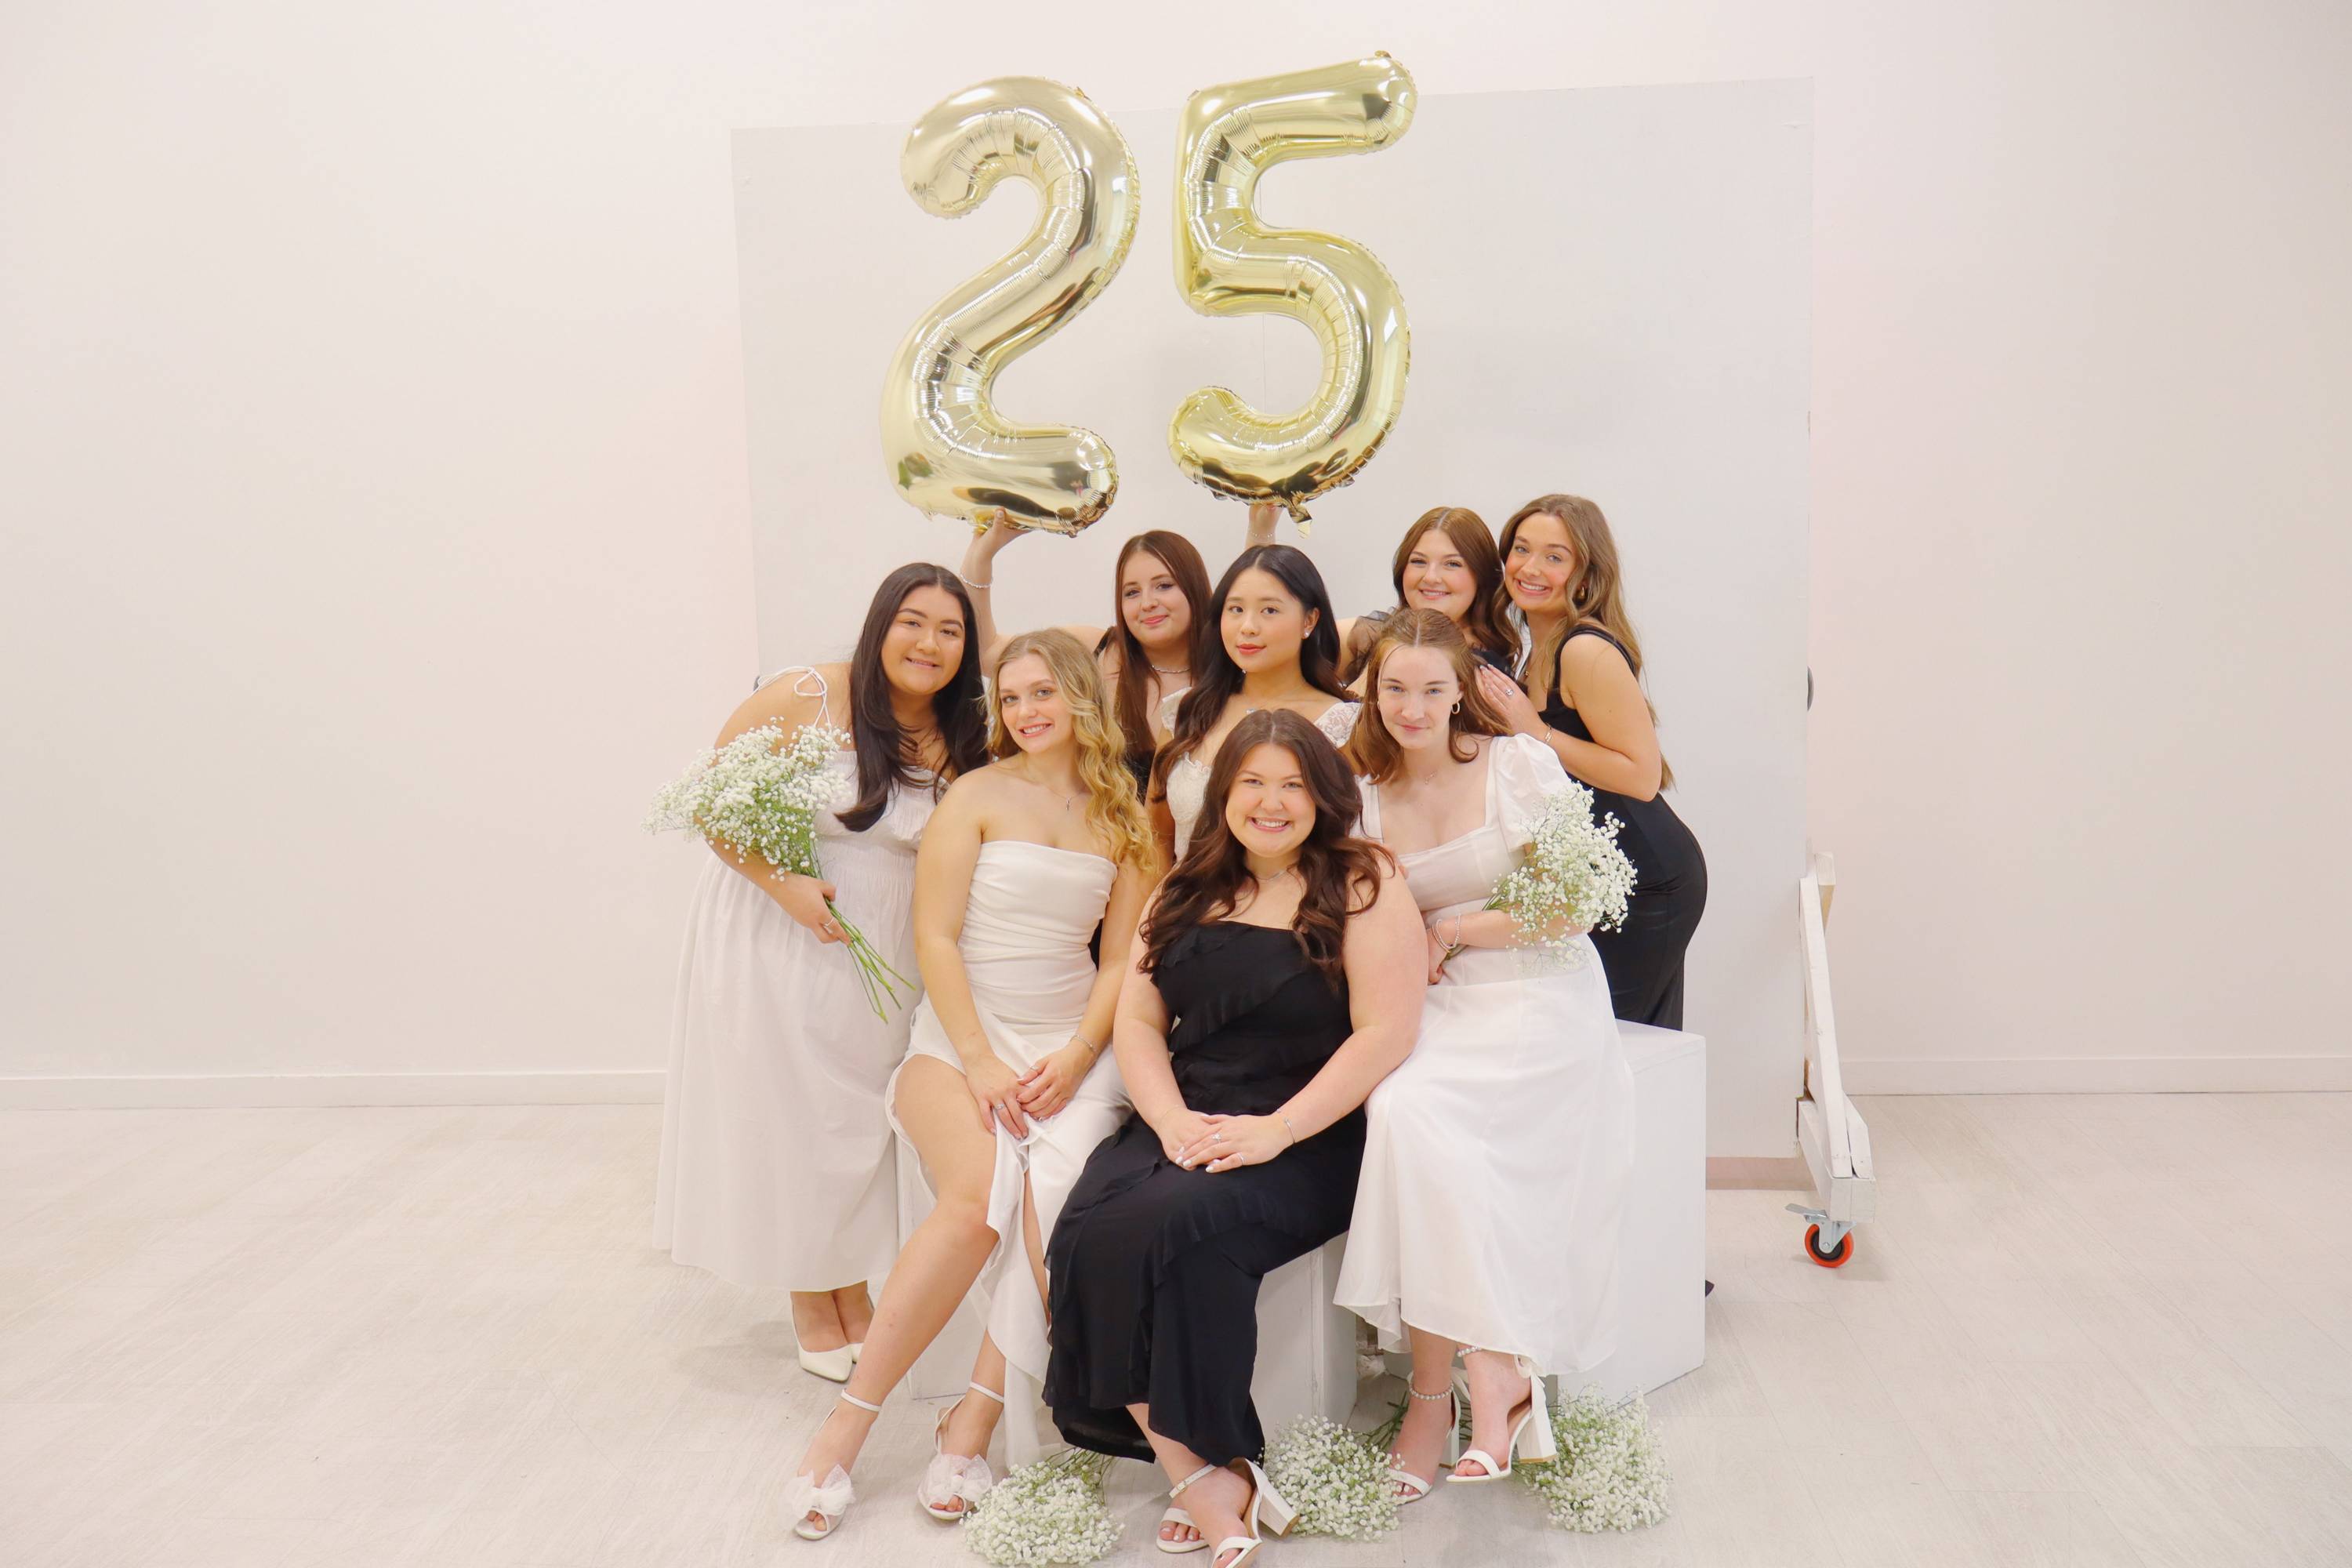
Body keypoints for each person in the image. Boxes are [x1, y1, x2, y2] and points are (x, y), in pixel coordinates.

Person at [782, 630, 1157, 1541]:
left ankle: (972, 1423)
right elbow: (936, 937)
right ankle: (847, 1427)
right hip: (958, 1040)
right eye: (1012, 695)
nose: (1027, 711)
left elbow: (1120, 960)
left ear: (1080, 699)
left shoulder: (1127, 814)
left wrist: (1074, 1057)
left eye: (1044, 693)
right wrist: (980, 1055)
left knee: (1053, 1196)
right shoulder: (975, 797)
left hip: (1071, 1045)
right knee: (975, 1199)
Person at [1044, 710, 1425, 1568]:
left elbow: (1385, 1033)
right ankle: (1207, 1467)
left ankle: (1202, 1466)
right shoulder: (1188, 881)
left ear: (1324, 795)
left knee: (1174, 1228)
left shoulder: (1364, 881)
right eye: (1252, 781)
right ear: (1224, 795)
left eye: (1293, 783)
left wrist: (1274, 1131)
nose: (1272, 800)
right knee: (1089, 1233)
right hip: (1187, 1112)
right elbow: (1140, 1019)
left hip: (1307, 1130)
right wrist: (1173, 1119)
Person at [655, 564, 986, 1382]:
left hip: (889, 949)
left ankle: (854, 1286)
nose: (930, 643)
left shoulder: (964, 726)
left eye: (950, 630)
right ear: (881, 624)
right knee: (794, 1112)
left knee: (858, 1121)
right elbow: (711, 798)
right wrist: (785, 884)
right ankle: (814, 1295)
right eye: (913, 622)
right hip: (780, 933)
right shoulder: (808, 692)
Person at [1331, 609, 1635, 1501]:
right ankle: (1477, 1378)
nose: (1414, 707)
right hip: (1437, 1005)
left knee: (1436, 1121)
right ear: (1371, 691)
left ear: (1462, 687)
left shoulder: (1517, 765)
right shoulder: (1358, 792)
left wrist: (1451, 925)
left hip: (1542, 991)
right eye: (1395, 688)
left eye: (1432, 688)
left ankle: (1463, 1385)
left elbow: (1580, 902)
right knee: (1403, 1111)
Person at [1476, 495, 1708, 1028]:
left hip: (1649, 880)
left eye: (1555, 557)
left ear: (1585, 574)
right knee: (1620, 1047)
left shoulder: (1584, 651)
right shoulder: (1534, 648)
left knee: (1616, 1045)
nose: (1531, 568)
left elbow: (1642, 777)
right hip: (1602, 880)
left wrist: (1536, 731)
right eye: (1521, 550)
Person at [956, 504, 1278, 786]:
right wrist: (981, 557)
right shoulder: (1097, 650)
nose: (1148, 603)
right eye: (1132, 592)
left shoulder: (1233, 663)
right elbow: (986, 654)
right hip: (1108, 845)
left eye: (1164, 586)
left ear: (1193, 587)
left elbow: (1257, 601)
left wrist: (1261, 530)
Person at [1152, 545, 1359, 864]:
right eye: (1235, 609)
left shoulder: (1343, 726)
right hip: (1183, 909)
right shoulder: (1188, 713)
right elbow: (1152, 847)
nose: (1247, 626)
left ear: (1310, 620)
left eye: (1269, 610)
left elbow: (1353, 847)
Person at [1337, 506, 1517, 683]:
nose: (1431, 577)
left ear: (1481, 575)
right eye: (1418, 561)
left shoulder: (1486, 672)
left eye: (1452, 564)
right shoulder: (1372, 635)